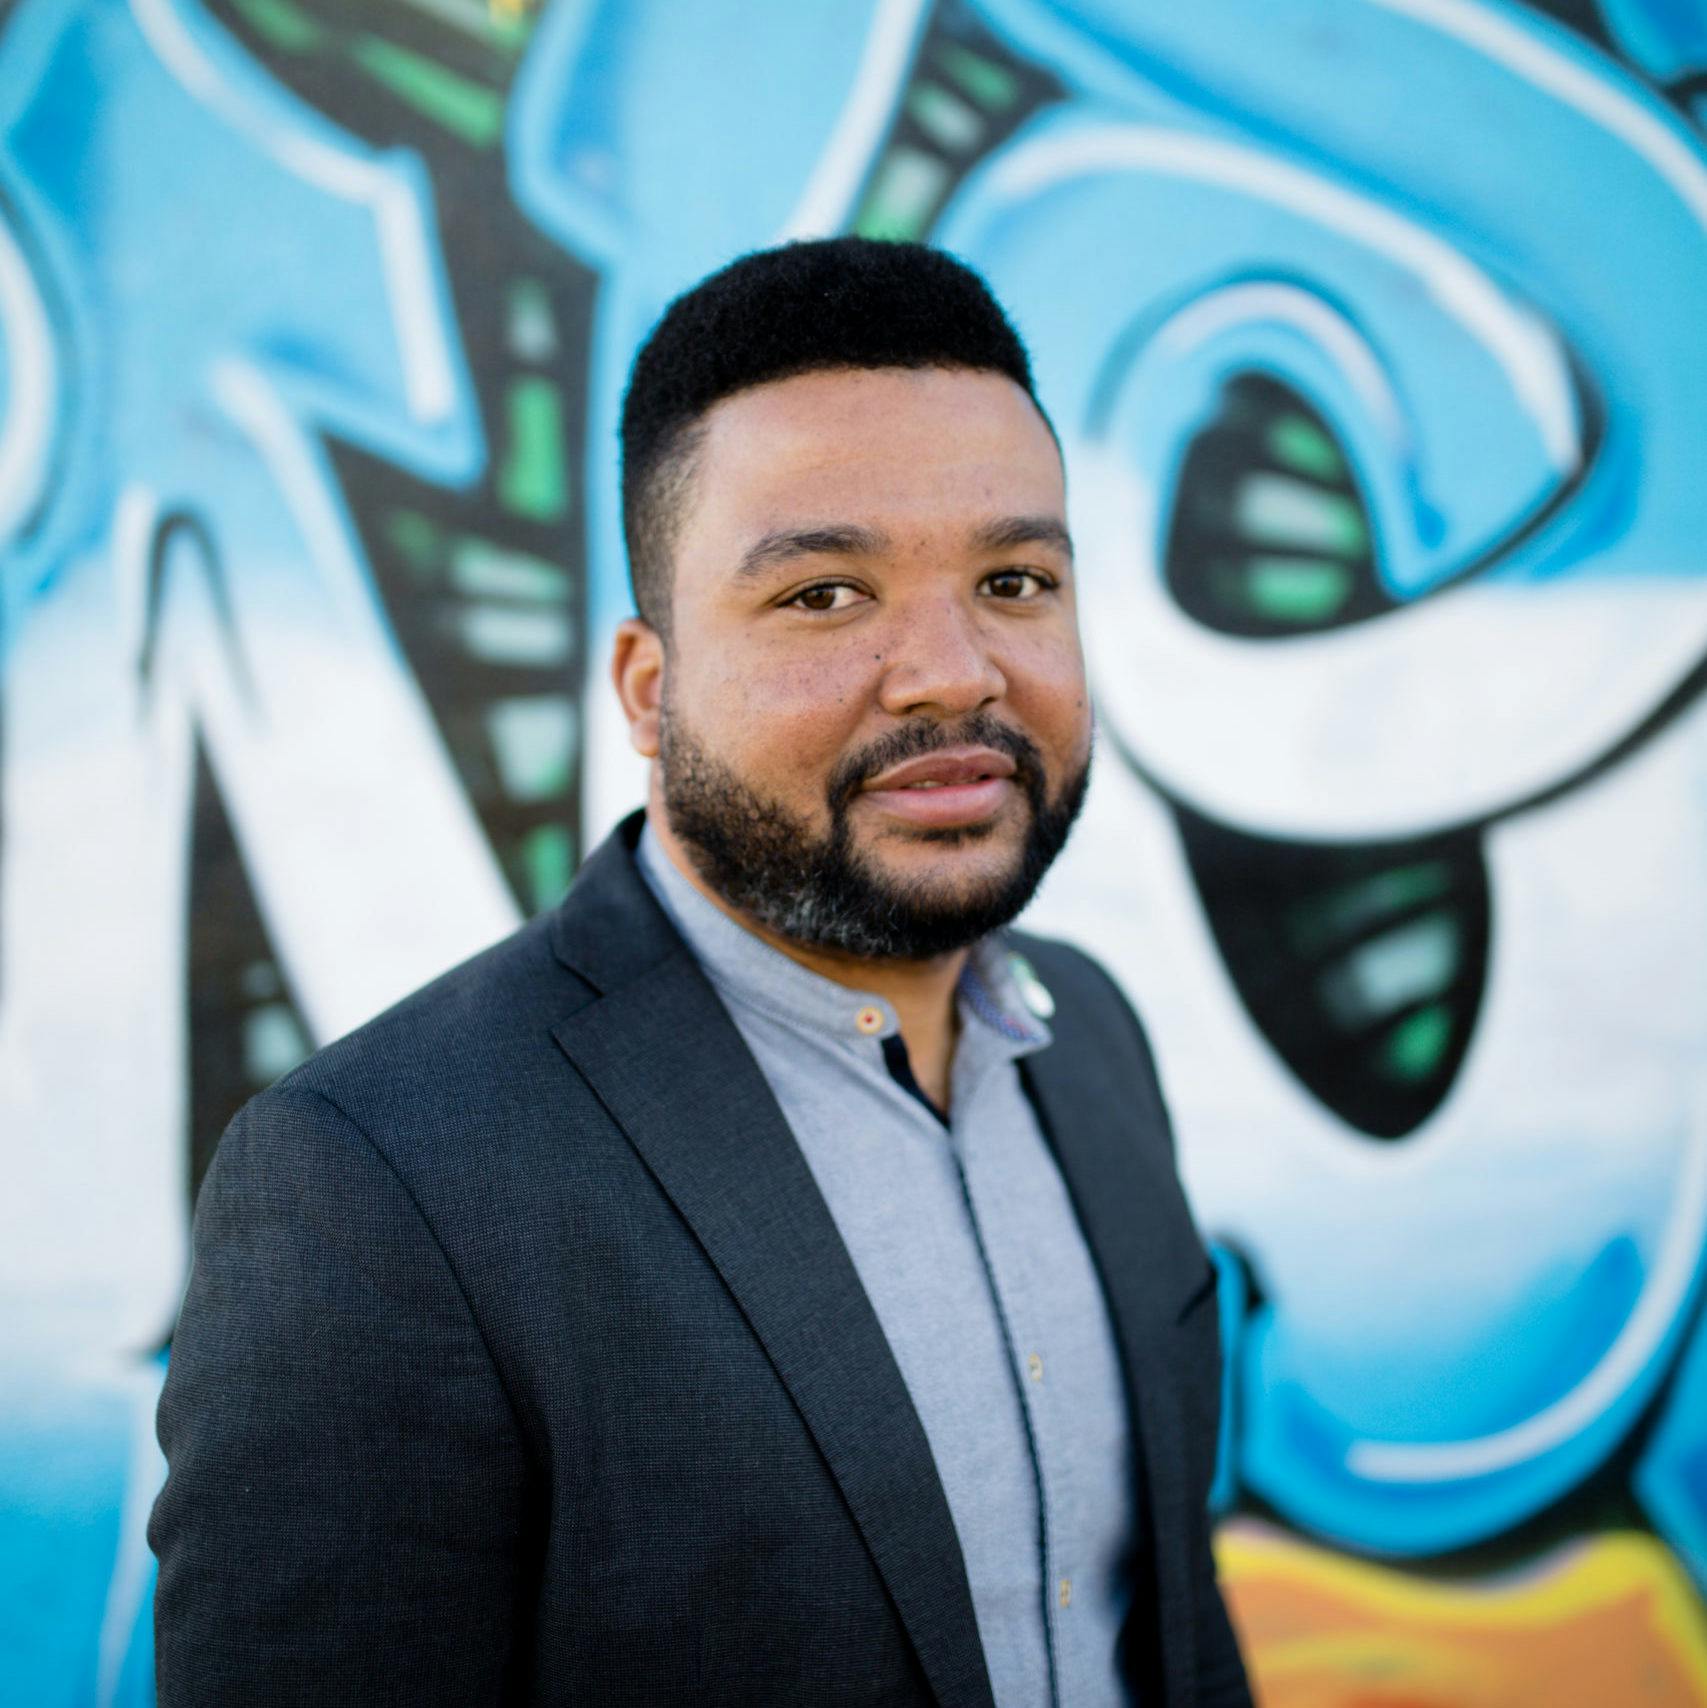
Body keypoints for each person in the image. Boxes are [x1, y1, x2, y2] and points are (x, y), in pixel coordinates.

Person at [150, 237, 1251, 1708]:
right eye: (825, 595)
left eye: (1013, 578)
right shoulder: (379, 1185)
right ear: (649, 691)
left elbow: (1164, 1628)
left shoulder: (1094, 1038)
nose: (953, 670)